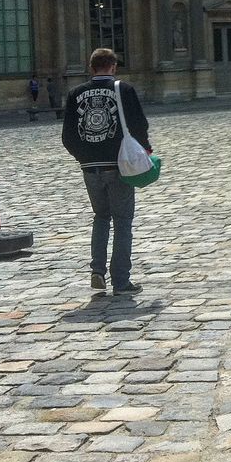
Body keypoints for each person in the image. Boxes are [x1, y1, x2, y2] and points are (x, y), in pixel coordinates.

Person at [62, 48, 152, 296]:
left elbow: (68, 136)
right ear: (113, 67)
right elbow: (139, 125)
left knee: (101, 218)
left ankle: (97, 271)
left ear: (92, 68)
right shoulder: (124, 90)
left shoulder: (75, 93)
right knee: (123, 222)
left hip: (90, 168)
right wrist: (146, 151)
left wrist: (84, 157)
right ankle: (121, 282)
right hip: (119, 165)